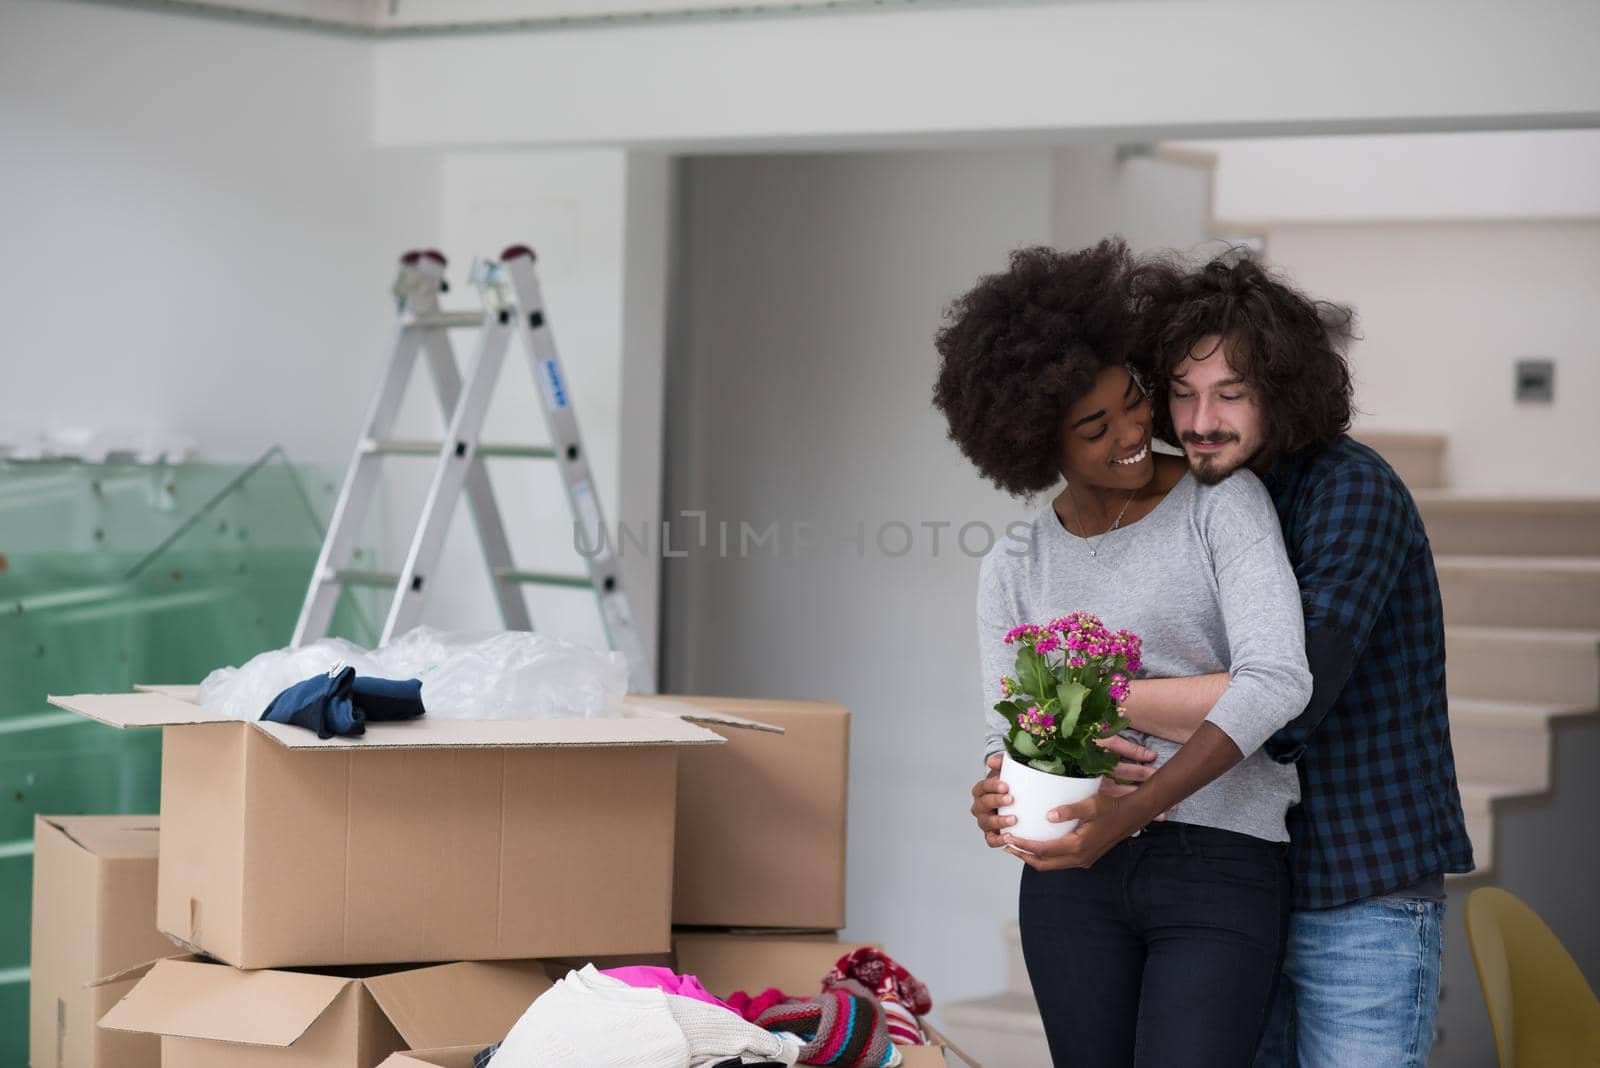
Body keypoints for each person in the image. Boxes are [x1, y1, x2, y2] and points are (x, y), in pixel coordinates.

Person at [935, 239, 1313, 1068]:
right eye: (1095, 427)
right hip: (1070, 882)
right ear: (1038, 444)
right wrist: (997, 792)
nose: (1137, 431)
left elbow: (1279, 678)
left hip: (1218, 863)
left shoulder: (1224, 506)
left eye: (1135, 400)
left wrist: (1132, 807)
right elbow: (1013, 732)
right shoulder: (1014, 566)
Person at [1114, 251, 1475, 1068]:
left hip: (1361, 886)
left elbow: (1287, 695)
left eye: (1231, 394)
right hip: (1238, 881)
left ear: (1282, 390)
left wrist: (1106, 694)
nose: (1201, 419)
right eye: (1182, 391)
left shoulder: (1352, 490)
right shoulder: (1200, 499)